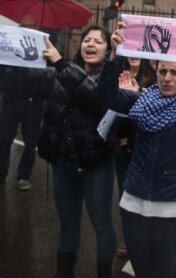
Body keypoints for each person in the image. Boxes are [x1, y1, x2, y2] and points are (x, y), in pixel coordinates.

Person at [97, 22, 176, 278]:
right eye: (163, 71)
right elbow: (106, 96)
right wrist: (113, 56)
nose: (167, 78)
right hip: (135, 204)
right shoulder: (142, 99)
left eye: (175, 72)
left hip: (174, 209)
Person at [37, 25, 117, 278]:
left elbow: (93, 98)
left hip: (95, 166)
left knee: (101, 224)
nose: (90, 44)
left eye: (98, 41)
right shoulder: (64, 72)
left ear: (108, 51)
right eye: (87, 40)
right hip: (63, 164)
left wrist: (61, 65)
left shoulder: (111, 79)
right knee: (68, 222)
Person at [0, 15, 52, 191]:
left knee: (30, 142)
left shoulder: (46, 45)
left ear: (37, 27)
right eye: (23, 25)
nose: (26, 28)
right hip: (12, 100)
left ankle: (23, 176)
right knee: (4, 139)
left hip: (34, 102)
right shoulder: (10, 44)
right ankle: (1, 173)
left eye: (31, 25)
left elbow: (52, 71)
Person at [113, 57, 156, 258]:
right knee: (125, 195)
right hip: (122, 147)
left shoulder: (152, 82)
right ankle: (129, 237)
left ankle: (145, 237)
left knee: (146, 195)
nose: (134, 53)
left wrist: (137, 94)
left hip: (142, 149)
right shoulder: (118, 78)